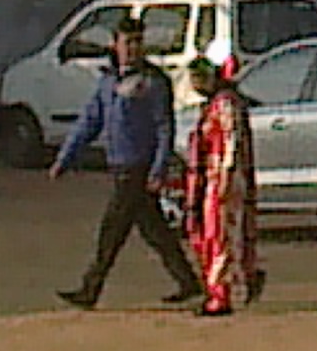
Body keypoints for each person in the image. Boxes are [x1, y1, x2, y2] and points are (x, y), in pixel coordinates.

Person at [50, 17, 203, 312]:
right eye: (127, 42)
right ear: (115, 44)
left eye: (137, 42)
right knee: (155, 231)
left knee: (112, 231)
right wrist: (65, 158)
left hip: (138, 169)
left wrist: (158, 169)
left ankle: (90, 288)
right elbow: (89, 122)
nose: (132, 48)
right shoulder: (108, 81)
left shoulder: (153, 81)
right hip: (120, 166)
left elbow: (163, 128)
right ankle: (188, 281)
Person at [183, 57, 263, 318]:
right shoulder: (215, 104)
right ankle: (236, 281)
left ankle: (220, 294)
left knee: (219, 236)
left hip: (223, 181)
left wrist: (227, 176)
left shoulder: (225, 103)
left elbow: (232, 141)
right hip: (212, 178)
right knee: (215, 235)